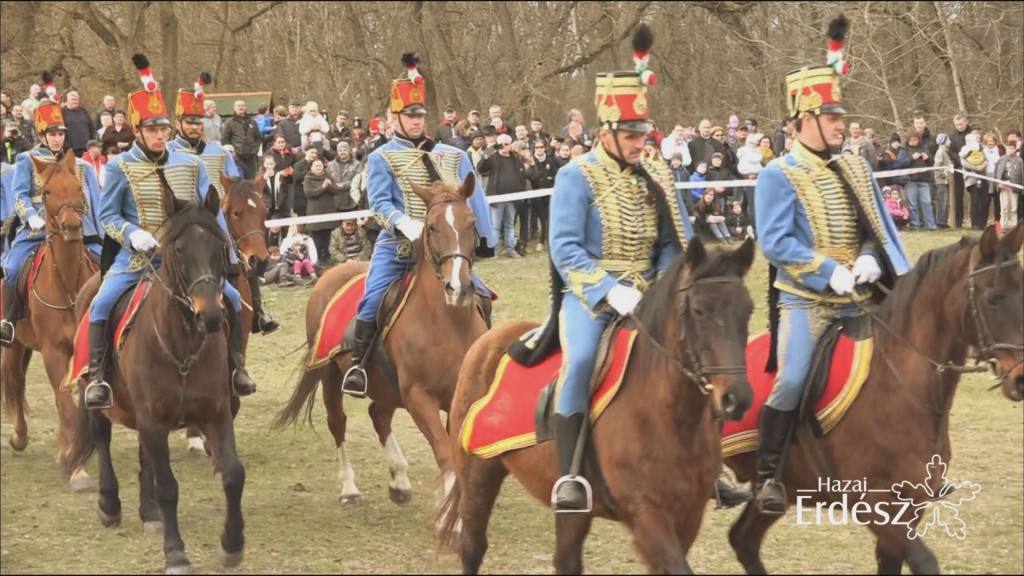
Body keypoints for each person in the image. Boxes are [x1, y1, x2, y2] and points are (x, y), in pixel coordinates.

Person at [752, 17, 911, 515]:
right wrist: (828, 270)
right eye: (832, 117)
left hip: (863, 294)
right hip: (807, 300)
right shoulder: (778, 174)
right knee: (794, 377)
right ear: (803, 120)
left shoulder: (854, 166)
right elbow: (776, 242)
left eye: (842, 116)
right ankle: (767, 475)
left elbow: (874, 227)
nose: (843, 125)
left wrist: (867, 258)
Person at [541, 26, 702, 512]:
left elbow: (677, 243)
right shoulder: (575, 176)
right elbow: (565, 249)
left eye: (643, 134)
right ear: (606, 131)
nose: (640, 143)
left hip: (650, 293)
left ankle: (707, 470)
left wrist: (662, 285)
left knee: (701, 356)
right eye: (631, 135)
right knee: (583, 361)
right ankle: (569, 475)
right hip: (590, 297)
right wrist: (611, 292)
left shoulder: (657, 173)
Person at [83, 54, 258, 410]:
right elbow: (106, 216)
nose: (161, 135)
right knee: (100, 303)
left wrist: (223, 247)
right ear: (137, 130)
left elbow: (211, 215)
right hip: (138, 258)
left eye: (163, 129)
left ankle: (235, 369)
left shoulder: (191, 164)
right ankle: (99, 378)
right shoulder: (119, 167)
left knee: (236, 300)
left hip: (188, 259)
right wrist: (132, 234)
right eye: (152, 130)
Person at [341, 53, 497, 398]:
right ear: (394, 118)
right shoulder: (381, 157)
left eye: (419, 115)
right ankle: (357, 366)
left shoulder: (452, 154)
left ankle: (483, 362)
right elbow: (378, 203)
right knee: (371, 302)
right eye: (409, 116)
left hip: (445, 249)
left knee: (483, 295)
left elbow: (475, 198)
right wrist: (403, 223)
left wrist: (486, 238)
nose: (415, 121)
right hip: (399, 248)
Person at [168, 71, 279, 335]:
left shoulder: (219, 153)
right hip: (183, 227)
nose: (196, 127)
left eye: (199, 122)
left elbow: (237, 189)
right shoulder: (169, 153)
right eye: (190, 122)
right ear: (178, 123)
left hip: (219, 225)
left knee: (242, 266)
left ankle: (257, 314)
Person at [1, 74, 103, 347]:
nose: (58, 139)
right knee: (11, 268)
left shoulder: (80, 165)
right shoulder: (27, 160)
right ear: (43, 135)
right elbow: (20, 194)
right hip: (36, 230)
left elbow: (94, 200)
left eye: (61, 134)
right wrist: (31, 217)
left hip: (80, 229)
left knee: (108, 265)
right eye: (53, 135)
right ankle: (9, 321)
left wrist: (98, 231)